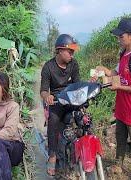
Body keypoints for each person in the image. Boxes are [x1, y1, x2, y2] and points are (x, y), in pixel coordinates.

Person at [95, 17, 131, 180]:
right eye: (118, 36)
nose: (118, 39)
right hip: (122, 109)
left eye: (121, 36)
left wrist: (119, 87)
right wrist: (104, 70)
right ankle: (118, 164)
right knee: (120, 138)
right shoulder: (124, 53)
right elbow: (116, 73)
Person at [40, 34, 80, 176]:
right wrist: (48, 97)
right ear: (60, 50)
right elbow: (43, 91)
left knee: (81, 118)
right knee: (53, 120)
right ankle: (52, 155)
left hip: (71, 99)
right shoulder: (48, 67)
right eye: (70, 52)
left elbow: (77, 85)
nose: (72, 55)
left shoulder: (73, 64)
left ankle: (78, 150)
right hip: (56, 100)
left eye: (73, 52)